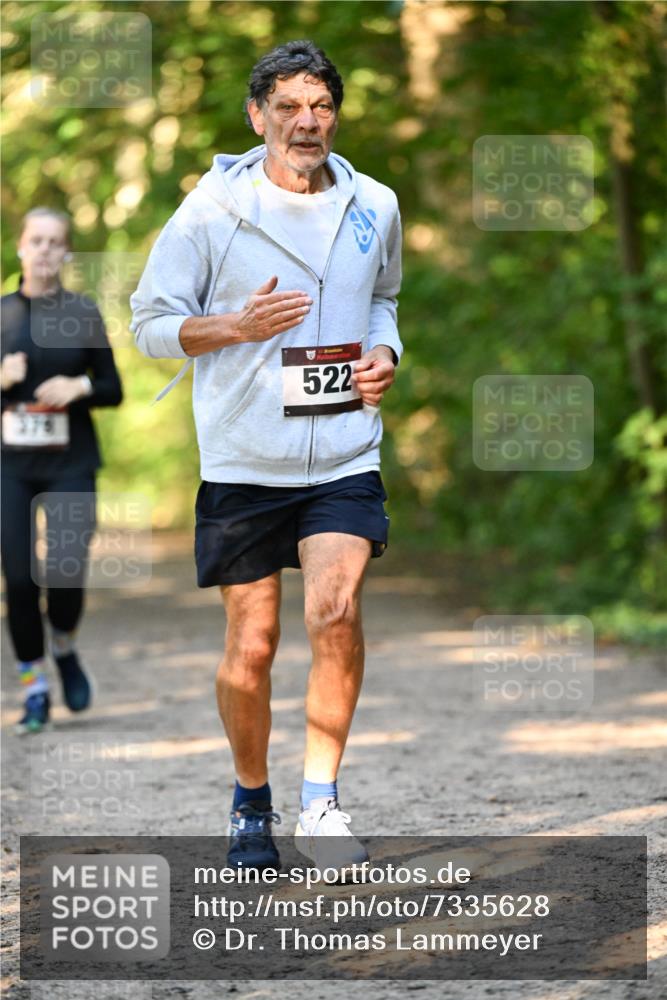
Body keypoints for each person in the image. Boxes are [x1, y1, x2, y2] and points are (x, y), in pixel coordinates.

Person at [131, 40, 402, 870]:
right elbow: (149, 324)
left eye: (319, 106)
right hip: (246, 461)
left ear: (336, 115)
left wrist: (386, 356)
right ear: (257, 117)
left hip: (343, 456)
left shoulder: (375, 206)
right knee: (252, 646)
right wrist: (236, 328)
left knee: (336, 613)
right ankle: (252, 800)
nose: (305, 122)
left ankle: (320, 804)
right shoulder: (213, 212)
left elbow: (384, 298)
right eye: (287, 107)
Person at [1, 207, 123, 733]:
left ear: (67, 252)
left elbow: (114, 388)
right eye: (37, 240)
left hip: (70, 462)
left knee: (66, 571)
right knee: (21, 582)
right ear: (21, 247)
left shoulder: (82, 311)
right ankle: (34, 687)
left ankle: (66, 647)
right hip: (11, 468)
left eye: (56, 242)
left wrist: (81, 387)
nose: (46, 250)